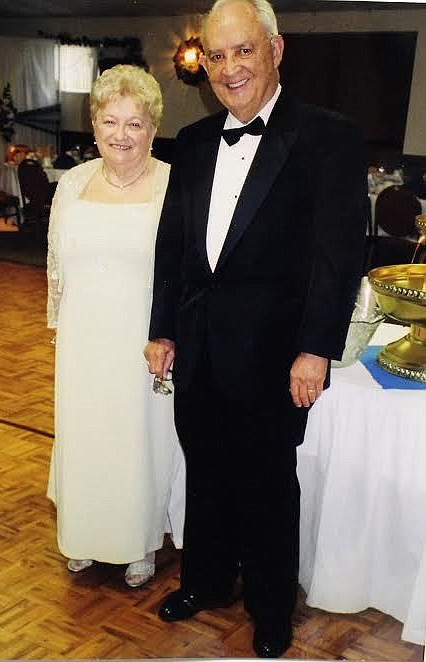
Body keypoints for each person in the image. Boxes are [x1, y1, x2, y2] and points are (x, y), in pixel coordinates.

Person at [144, 0, 367, 657]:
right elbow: (173, 245)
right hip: (200, 345)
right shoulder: (189, 143)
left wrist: (315, 348)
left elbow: (338, 255)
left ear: (275, 48)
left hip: (275, 355)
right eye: (217, 55)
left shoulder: (328, 135)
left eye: (244, 50)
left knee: (269, 484)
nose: (230, 67)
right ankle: (207, 582)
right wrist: (162, 328)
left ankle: (271, 608)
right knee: (205, 473)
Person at [46, 64, 185, 588]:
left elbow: (185, 273)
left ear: (152, 128)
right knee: (85, 435)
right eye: (110, 121)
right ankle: (83, 535)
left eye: (135, 123)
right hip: (83, 339)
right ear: (95, 124)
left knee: (139, 440)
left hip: (144, 343)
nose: (121, 135)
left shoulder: (173, 185)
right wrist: (60, 326)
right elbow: (57, 264)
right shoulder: (75, 182)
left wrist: (170, 334)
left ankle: (138, 542)